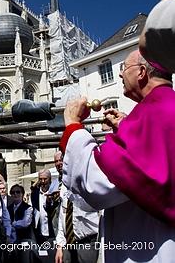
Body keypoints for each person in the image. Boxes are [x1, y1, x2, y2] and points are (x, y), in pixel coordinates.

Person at [60, 49, 175, 262]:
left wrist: (73, 126)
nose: (120, 74)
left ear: (141, 72)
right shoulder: (164, 108)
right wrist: (125, 127)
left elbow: (97, 185)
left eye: (123, 68)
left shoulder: (152, 113)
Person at [54, 151, 99, 263]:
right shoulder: (64, 187)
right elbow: (62, 218)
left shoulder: (90, 184)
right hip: (69, 245)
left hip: (89, 244)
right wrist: (60, 246)